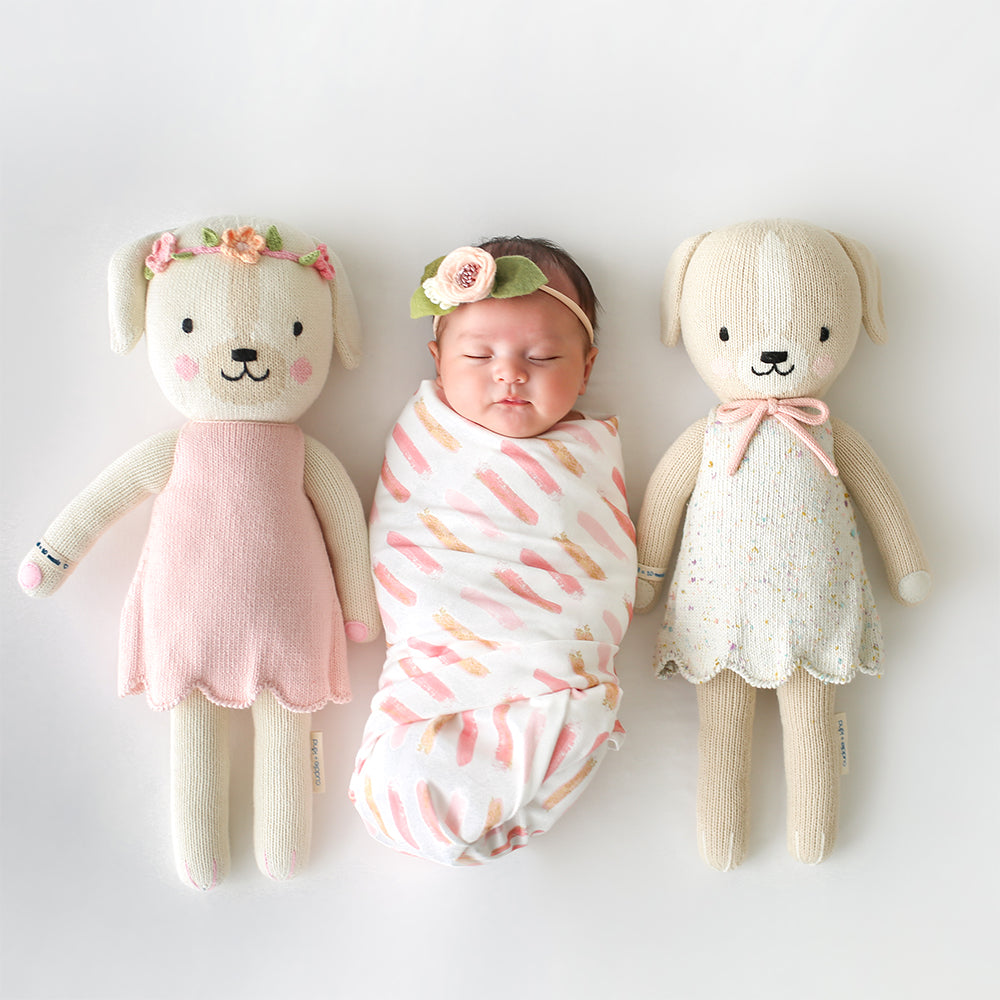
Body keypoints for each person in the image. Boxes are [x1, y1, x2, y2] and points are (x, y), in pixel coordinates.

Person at [349, 237, 636, 864]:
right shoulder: (429, 442)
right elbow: (408, 539)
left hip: (555, 658)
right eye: (478, 354)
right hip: (440, 654)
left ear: (587, 367)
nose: (510, 372)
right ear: (438, 359)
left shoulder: (584, 456)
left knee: (559, 722)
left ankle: (519, 776)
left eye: (542, 355)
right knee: (412, 757)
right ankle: (419, 779)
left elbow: (598, 555)